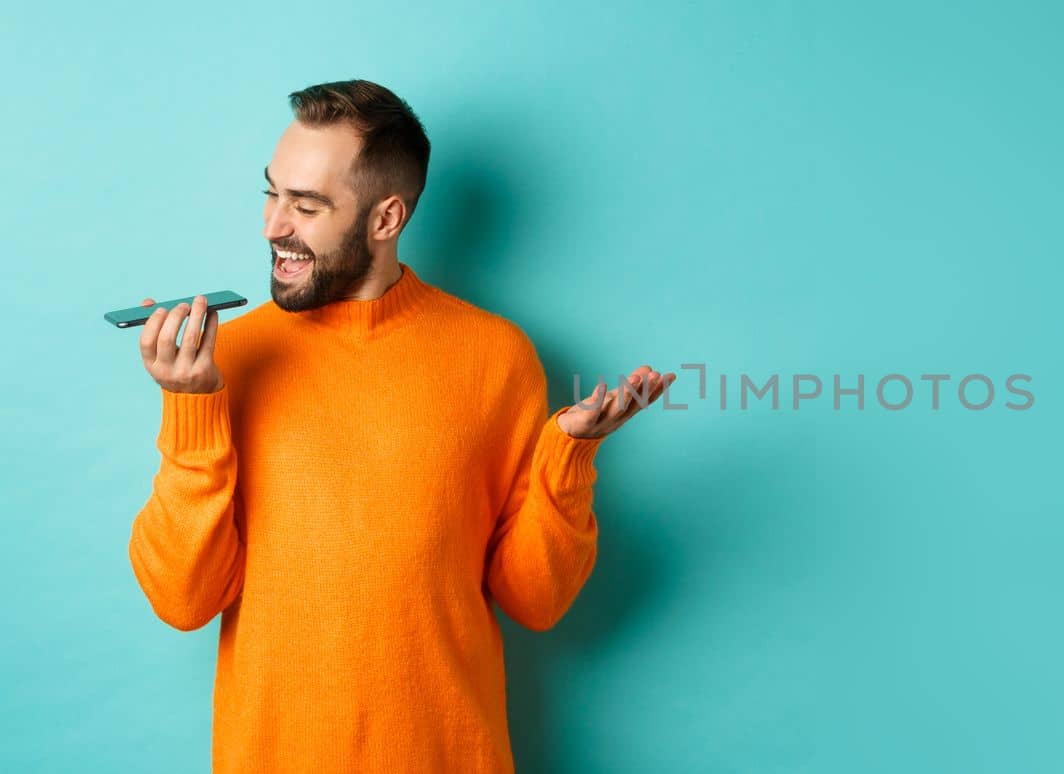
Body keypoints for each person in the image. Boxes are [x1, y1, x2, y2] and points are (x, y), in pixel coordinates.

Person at [127, 79, 674, 773]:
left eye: (307, 205)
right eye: (271, 193)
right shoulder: (228, 359)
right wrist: (190, 403)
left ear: (386, 219)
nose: (272, 226)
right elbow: (182, 599)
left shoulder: (494, 357)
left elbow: (533, 602)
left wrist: (569, 459)